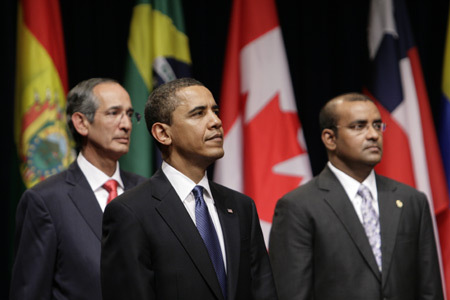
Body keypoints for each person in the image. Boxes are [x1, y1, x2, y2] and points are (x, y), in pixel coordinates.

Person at [101, 78, 277, 300]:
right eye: (198, 113)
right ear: (163, 134)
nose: (216, 122)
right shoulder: (131, 212)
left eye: (215, 111)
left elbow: (263, 291)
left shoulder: (241, 207)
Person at [269, 92, 443, 300]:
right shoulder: (298, 207)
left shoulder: (411, 200)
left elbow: (429, 289)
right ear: (330, 138)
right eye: (359, 126)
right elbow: (293, 293)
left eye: (378, 125)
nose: (373, 135)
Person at [10, 78, 146, 300]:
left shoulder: (146, 192)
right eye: (114, 113)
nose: (127, 125)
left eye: (129, 115)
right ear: (81, 123)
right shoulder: (46, 200)